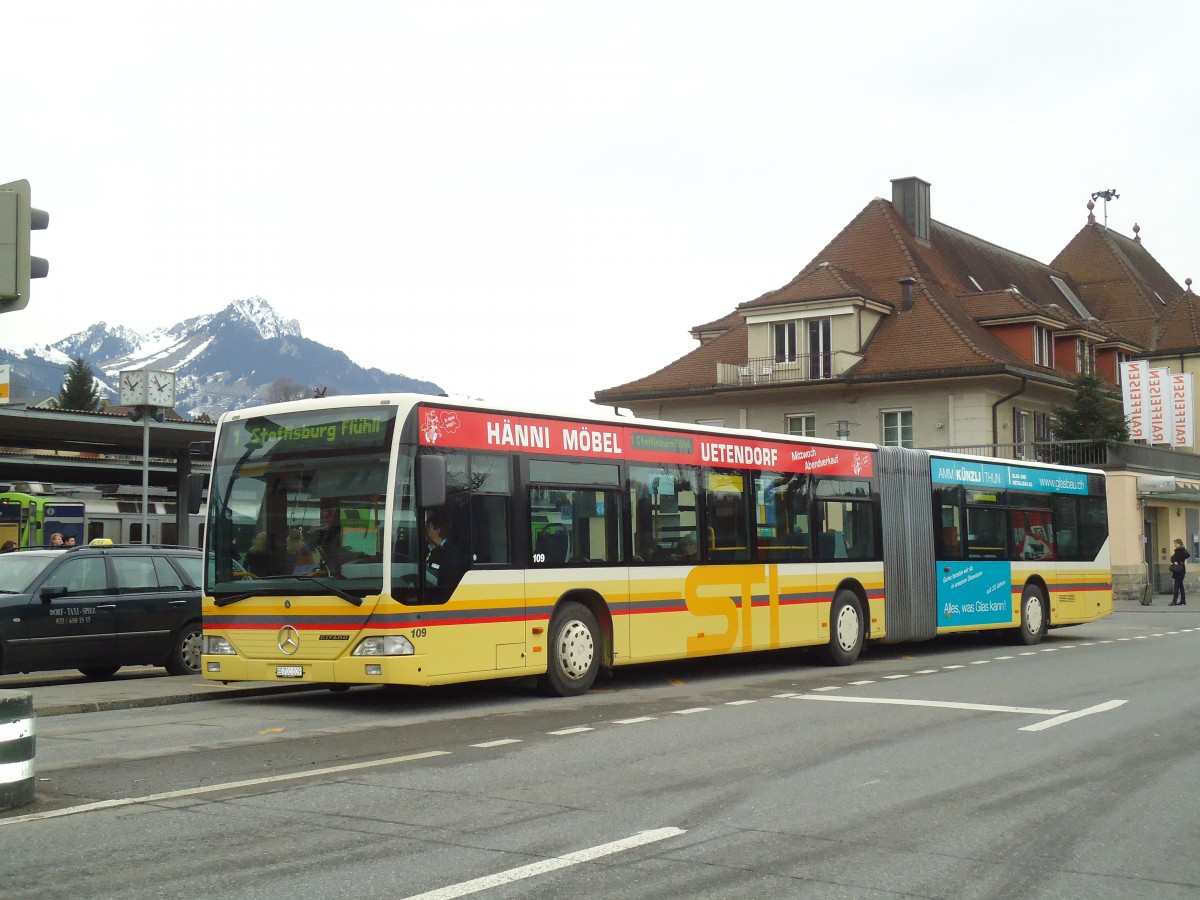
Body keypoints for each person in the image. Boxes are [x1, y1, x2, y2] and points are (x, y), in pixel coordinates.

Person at [424, 509, 469, 593]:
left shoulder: (451, 552)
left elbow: (447, 577)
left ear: (437, 531)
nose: (426, 530)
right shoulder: (435, 548)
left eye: (429, 527)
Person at [1169, 538, 1190, 606]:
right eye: (1174, 543)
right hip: (1179, 570)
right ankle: (1183, 600)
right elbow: (1172, 559)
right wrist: (1174, 561)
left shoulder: (1181, 551)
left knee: (1176, 586)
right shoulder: (1178, 551)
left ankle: (1174, 601)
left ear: (1179, 543)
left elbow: (1187, 555)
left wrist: (1178, 561)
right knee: (1181, 586)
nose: (1175, 545)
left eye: (1176, 543)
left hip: (1180, 570)